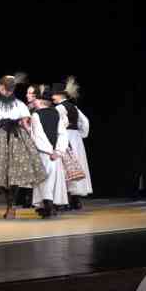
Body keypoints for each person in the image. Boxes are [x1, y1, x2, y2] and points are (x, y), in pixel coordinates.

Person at [0, 73, 47, 219]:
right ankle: (12, 205)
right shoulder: (20, 104)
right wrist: (31, 141)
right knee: (14, 174)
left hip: (2, 138)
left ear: (2, 88)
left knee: (0, 172)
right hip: (18, 138)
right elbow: (26, 125)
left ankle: (10, 205)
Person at [52, 76, 92, 209]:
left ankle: (66, 201)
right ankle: (76, 200)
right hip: (76, 138)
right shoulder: (74, 107)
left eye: (54, 94)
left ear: (60, 95)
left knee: (65, 167)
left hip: (65, 137)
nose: (52, 97)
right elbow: (85, 122)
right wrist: (81, 134)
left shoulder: (59, 108)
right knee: (77, 165)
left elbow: (57, 124)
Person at [29, 86, 69, 218]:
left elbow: (38, 136)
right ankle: (49, 206)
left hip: (44, 153)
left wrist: (49, 151)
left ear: (40, 101)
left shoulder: (36, 115)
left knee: (44, 179)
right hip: (56, 154)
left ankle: (48, 207)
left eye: (36, 99)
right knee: (53, 179)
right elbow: (62, 134)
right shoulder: (55, 113)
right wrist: (58, 151)